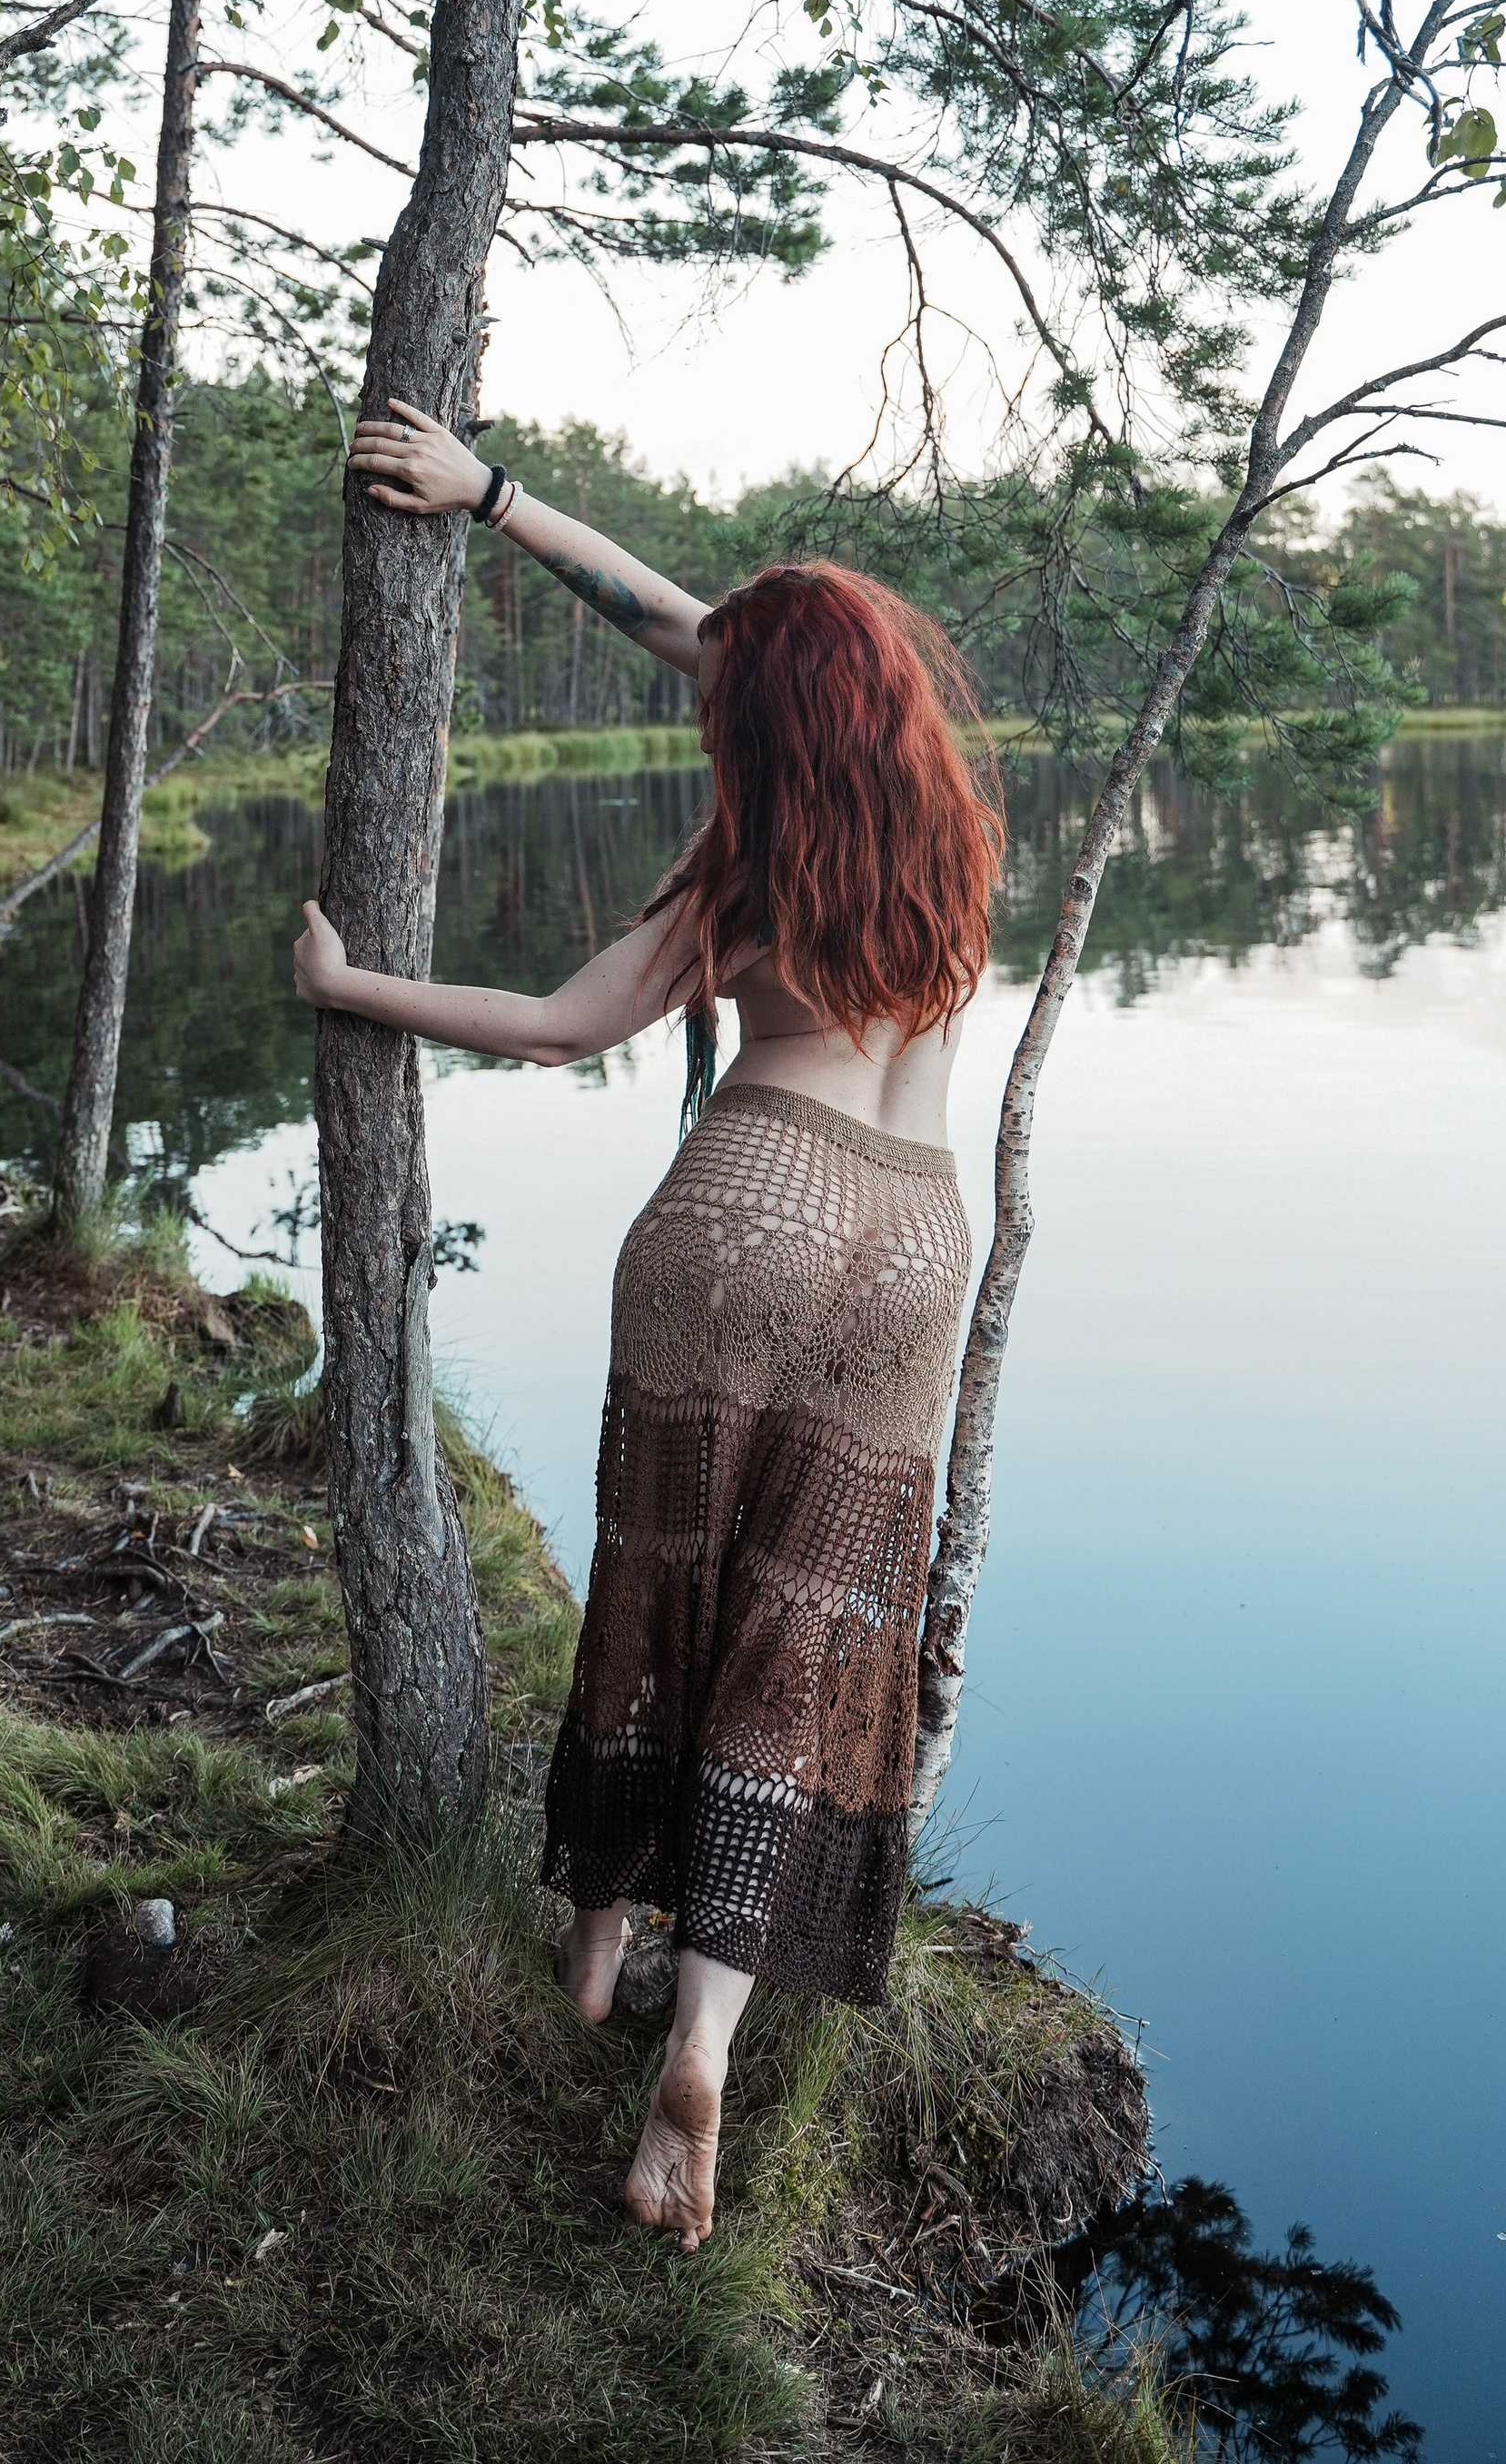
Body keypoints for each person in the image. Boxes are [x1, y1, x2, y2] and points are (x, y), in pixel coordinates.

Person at [292, 400, 1004, 2253]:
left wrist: (352, 983)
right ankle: (699, 2041)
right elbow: (714, 634)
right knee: (800, 1634)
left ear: (760, 721)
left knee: (658, 1573)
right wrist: (499, 496)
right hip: (916, 1242)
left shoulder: (745, 870)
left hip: (751, 1199)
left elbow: (557, 1026)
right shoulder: (947, 839)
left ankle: (593, 1952)